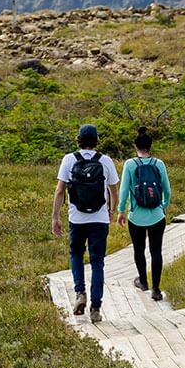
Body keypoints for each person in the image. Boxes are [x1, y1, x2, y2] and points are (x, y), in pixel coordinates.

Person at [52, 123, 118, 323]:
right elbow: (114, 190)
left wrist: (55, 217)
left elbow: (60, 191)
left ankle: (80, 293)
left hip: (76, 218)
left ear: (78, 140)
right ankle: (96, 308)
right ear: (97, 141)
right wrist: (111, 211)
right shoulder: (105, 161)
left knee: (76, 255)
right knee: (98, 262)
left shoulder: (69, 159)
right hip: (99, 219)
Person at [117, 126, 171, 301]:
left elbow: (124, 190)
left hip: (136, 217)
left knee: (139, 250)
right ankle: (156, 289)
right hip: (157, 216)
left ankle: (143, 281)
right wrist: (163, 206)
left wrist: (120, 211)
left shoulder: (130, 164)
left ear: (136, 146)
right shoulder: (159, 164)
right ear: (150, 146)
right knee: (156, 251)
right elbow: (167, 190)